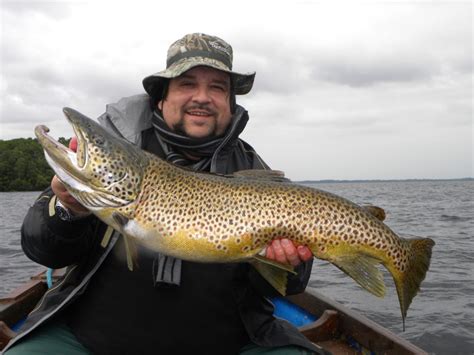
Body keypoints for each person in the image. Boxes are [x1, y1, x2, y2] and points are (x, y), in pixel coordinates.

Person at [4, 33, 325, 355]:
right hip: (90, 338)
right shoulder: (119, 154)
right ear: (160, 97)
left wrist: (289, 264)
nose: (202, 97)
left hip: (228, 343)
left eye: (217, 87)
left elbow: (289, 287)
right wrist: (68, 209)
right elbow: (45, 252)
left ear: (230, 103)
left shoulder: (259, 176)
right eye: (187, 84)